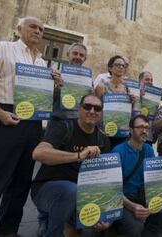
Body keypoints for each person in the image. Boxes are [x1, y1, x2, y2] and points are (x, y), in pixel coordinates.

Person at [0, 16, 62, 237]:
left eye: (41, 29)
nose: (38, 31)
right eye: (33, 27)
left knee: (20, 182)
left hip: (33, 123)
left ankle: (7, 231)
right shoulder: (3, 48)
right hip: (5, 117)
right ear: (19, 29)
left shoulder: (41, 62)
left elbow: (45, 99)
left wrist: (56, 86)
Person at [30, 94, 111, 237]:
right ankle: (50, 227)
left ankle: (63, 221)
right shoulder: (64, 127)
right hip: (47, 190)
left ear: (101, 113)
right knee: (70, 191)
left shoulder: (102, 139)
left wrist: (104, 215)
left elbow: (103, 182)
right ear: (79, 109)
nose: (92, 111)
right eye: (87, 106)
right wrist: (78, 156)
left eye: (97, 108)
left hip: (80, 197)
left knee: (93, 228)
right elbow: (38, 153)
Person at [112, 115, 162, 237]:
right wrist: (132, 206)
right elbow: (112, 190)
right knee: (135, 229)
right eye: (140, 127)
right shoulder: (118, 152)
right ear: (130, 130)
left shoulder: (148, 149)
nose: (144, 131)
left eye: (146, 127)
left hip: (142, 194)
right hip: (123, 198)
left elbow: (157, 176)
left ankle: (153, 230)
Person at [94, 55, 136, 148]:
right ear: (110, 68)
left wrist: (132, 103)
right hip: (104, 131)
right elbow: (94, 107)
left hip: (121, 132)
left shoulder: (127, 89)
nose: (121, 67)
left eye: (123, 66)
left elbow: (129, 112)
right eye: (117, 65)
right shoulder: (102, 86)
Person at [52, 42, 88, 120]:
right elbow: (48, 100)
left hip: (78, 122)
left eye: (81, 55)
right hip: (58, 121)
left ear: (84, 59)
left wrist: (91, 94)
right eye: (75, 53)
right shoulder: (56, 74)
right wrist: (57, 87)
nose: (78, 57)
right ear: (68, 54)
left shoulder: (88, 80)